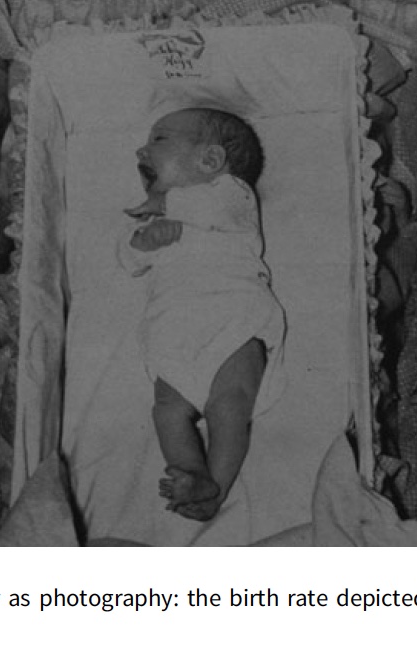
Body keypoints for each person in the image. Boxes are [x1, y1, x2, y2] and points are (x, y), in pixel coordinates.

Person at [118, 108, 286, 521]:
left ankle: (218, 485)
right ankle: (193, 474)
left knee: (229, 406)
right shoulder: (156, 213)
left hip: (234, 318)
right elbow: (129, 261)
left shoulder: (232, 194)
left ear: (210, 161)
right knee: (167, 409)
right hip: (172, 328)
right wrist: (142, 242)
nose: (142, 148)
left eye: (159, 139)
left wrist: (165, 201)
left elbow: (218, 212)